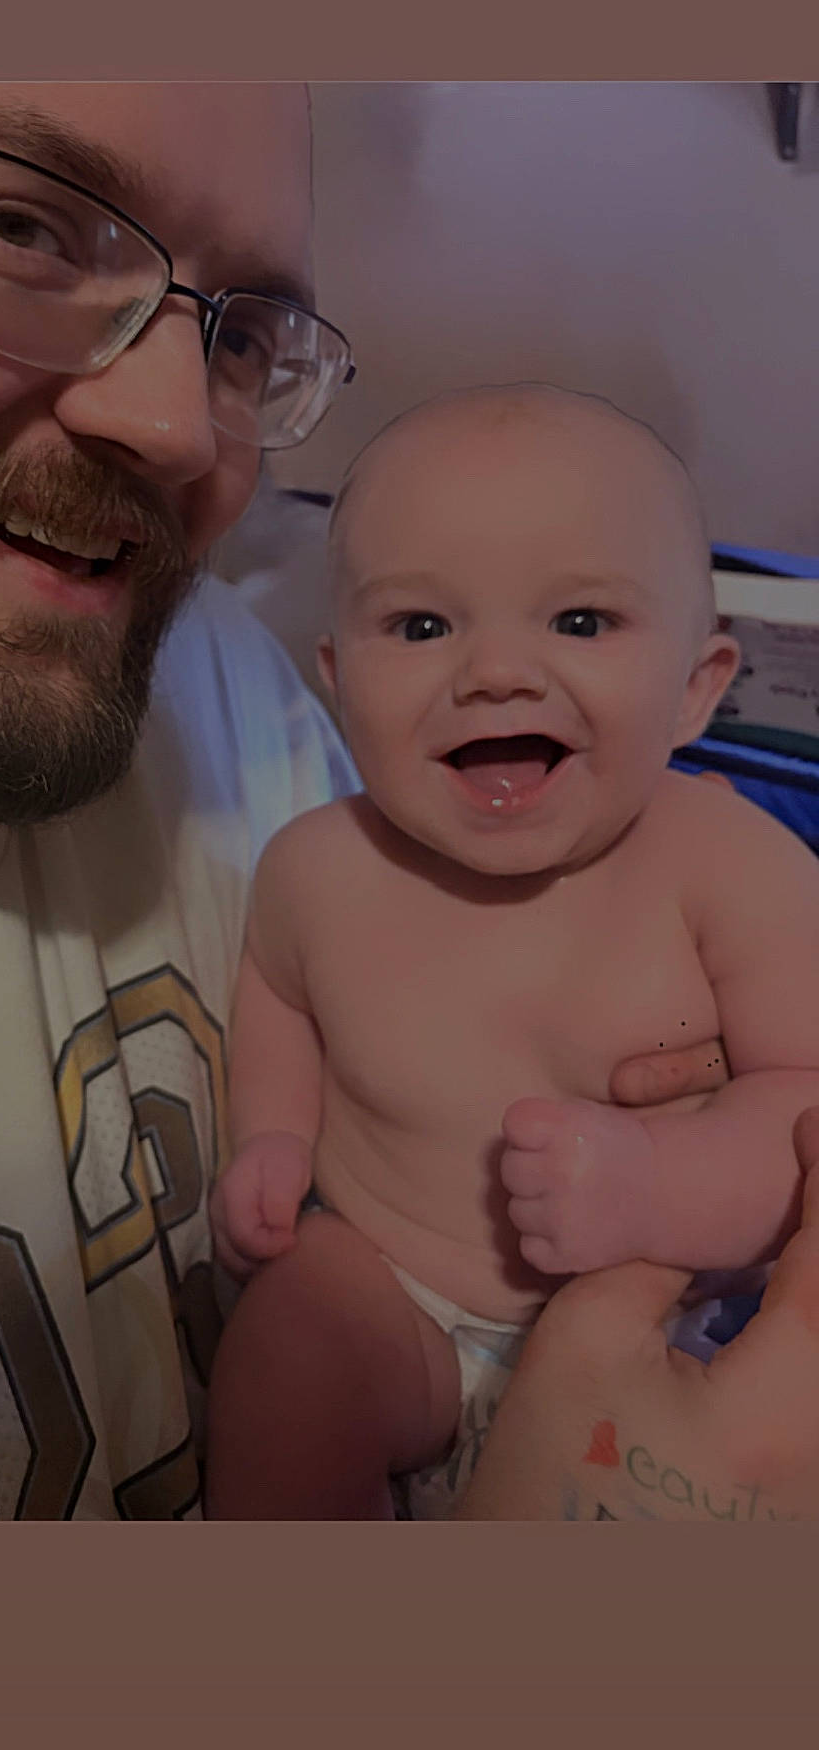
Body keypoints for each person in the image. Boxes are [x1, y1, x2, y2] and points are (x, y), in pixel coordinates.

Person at [0, 81, 766, 1522]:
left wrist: (708, 1172)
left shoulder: (200, 673)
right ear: (352, 668)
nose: (177, 425)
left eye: (239, 329)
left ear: (702, 679)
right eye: (24, 222)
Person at [205, 385, 819, 1520]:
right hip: (394, 1299)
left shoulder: (731, 865)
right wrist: (273, 1142)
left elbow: (805, 1103)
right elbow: (279, 999)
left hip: (659, 1328)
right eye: (422, 626)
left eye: (579, 622)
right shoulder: (317, 868)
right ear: (338, 685)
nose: (493, 671)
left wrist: (655, 1190)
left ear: (698, 689)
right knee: (289, 1338)